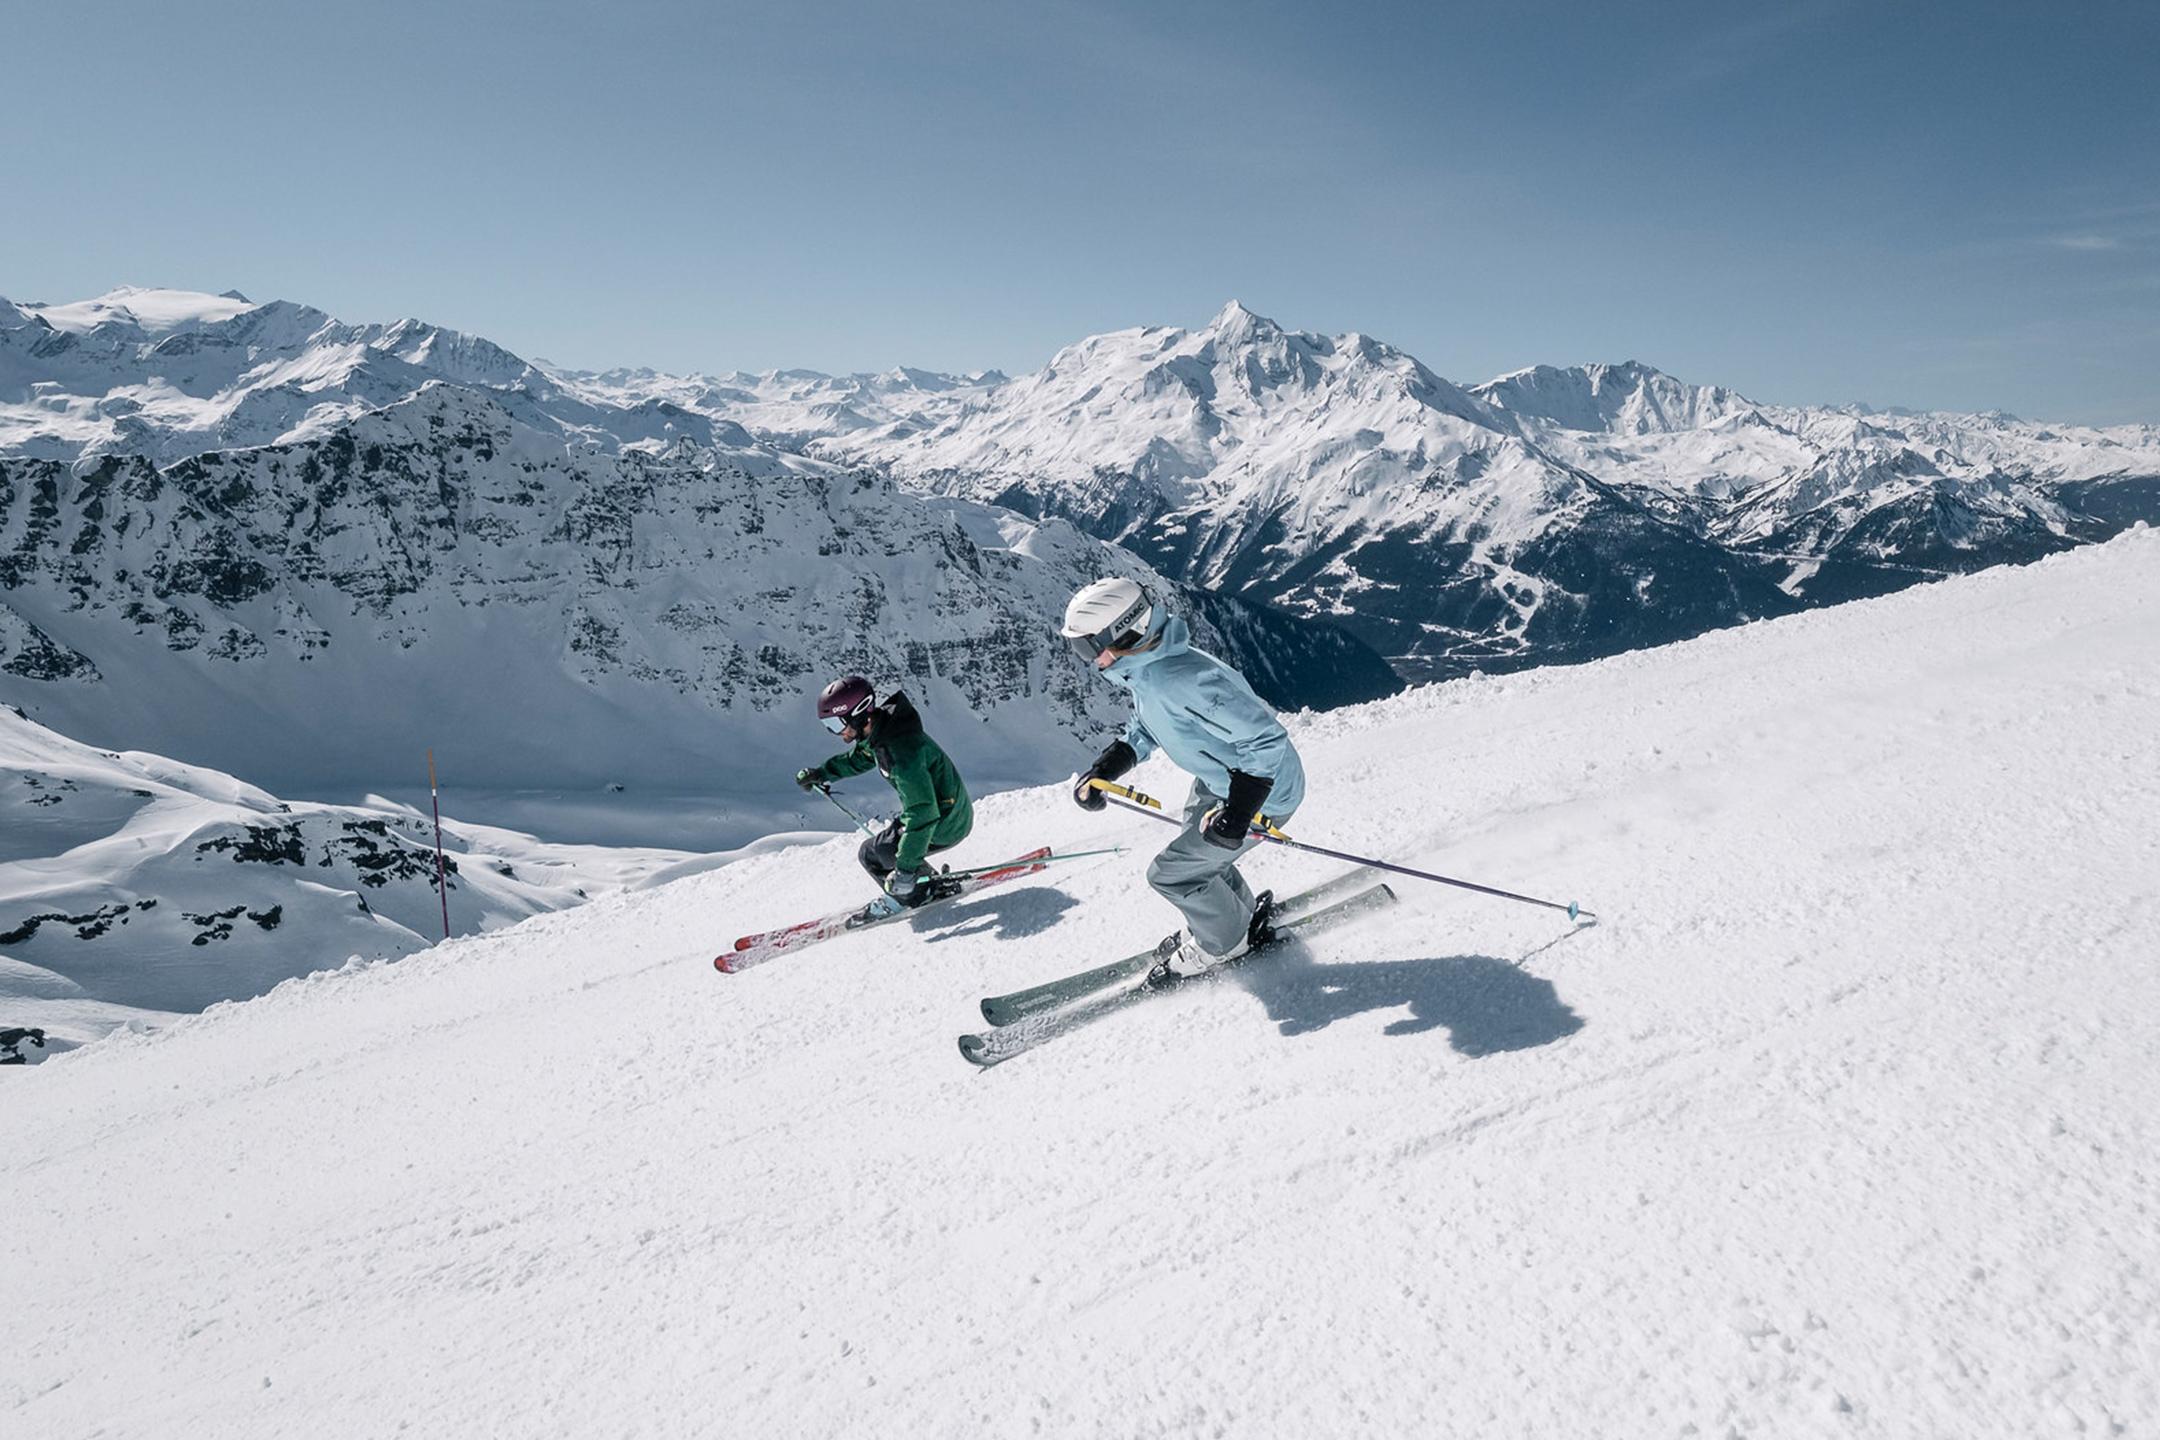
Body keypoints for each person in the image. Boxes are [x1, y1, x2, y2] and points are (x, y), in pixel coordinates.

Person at [1062, 577, 1306, 981]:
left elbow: (1265, 738)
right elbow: (1147, 724)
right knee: (1202, 854)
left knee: (1172, 874)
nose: (1087, 658)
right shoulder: (1148, 669)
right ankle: (1235, 919)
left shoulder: (1181, 679)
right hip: (1219, 781)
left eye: (1088, 645)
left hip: (1264, 793)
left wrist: (1240, 812)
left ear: (1125, 630)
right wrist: (1107, 767)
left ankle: (1225, 943)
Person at [795, 676, 974, 916]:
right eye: (830, 727)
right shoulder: (883, 730)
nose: (839, 735)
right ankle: (926, 886)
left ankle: (914, 895)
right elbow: (861, 758)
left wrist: (905, 871)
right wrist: (823, 773)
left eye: (837, 726)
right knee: (878, 850)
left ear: (859, 714)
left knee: (873, 855)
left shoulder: (899, 751)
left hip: (945, 821)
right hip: (947, 810)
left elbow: (922, 812)